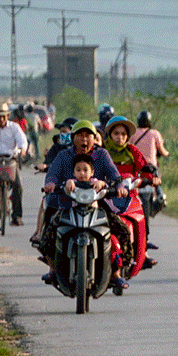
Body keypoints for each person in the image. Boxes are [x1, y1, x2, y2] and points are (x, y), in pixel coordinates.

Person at [37, 121, 129, 286]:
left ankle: (116, 273)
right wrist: (51, 184)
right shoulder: (64, 155)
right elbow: (52, 174)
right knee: (49, 232)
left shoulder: (102, 155)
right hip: (67, 204)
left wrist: (116, 186)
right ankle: (52, 269)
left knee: (120, 231)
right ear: (73, 138)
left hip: (98, 204)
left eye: (88, 136)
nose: (84, 139)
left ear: (95, 139)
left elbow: (116, 177)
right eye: (80, 135)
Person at [100, 116, 158, 274]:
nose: (120, 137)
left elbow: (145, 169)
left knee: (142, 216)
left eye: (123, 134)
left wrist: (152, 179)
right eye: (116, 133)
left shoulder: (132, 151)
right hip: (105, 196)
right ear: (110, 135)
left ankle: (142, 253)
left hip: (130, 196)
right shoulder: (103, 152)